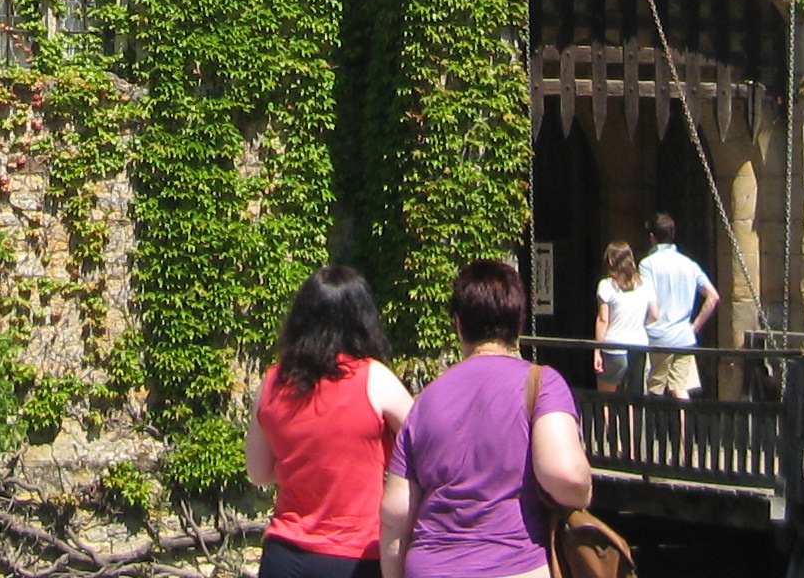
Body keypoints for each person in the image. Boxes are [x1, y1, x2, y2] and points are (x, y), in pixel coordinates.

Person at [381, 256, 594, 578]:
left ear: (458, 323)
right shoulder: (542, 384)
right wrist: (584, 493)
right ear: (518, 322)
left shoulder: (424, 401)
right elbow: (567, 476)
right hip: (514, 565)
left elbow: (395, 515)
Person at [250, 266, 415, 578]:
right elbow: (427, 445)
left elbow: (257, 472)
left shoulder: (272, 380)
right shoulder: (374, 378)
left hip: (284, 557)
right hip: (354, 557)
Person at [635, 213, 719, 400]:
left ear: (652, 238)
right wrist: (694, 326)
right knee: (680, 388)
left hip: (659, 336)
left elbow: (650, 302)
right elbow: (713, 296)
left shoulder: (647, 265)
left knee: (655, 388)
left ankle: (655, 428)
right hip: (684, 337)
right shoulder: (689, 264)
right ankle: (683, 429)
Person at [591, 243, 650, 397]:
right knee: (632, 397)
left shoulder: (606, 285)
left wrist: (597, 349)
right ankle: (630, 422)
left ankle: (608, 422)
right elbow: (655, 314)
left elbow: (603, 319)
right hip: (639, 345)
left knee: (606, 396)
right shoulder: (644, 283)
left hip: (614, 346)